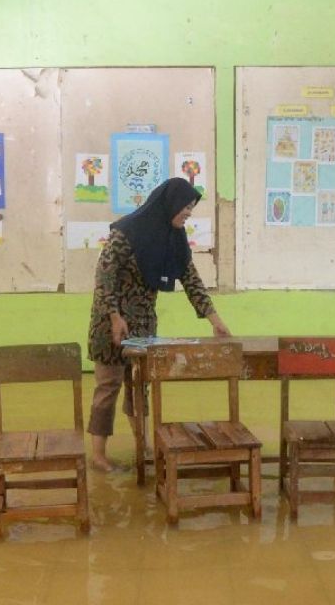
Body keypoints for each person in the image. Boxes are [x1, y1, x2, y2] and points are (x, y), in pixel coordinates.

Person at [86, 177, 231, 472]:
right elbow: (104, 278)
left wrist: (215, 320)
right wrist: (114, 316)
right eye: (185, 208)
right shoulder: (126, 233)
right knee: (108, 386)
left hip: (143, 326)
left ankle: (143, 445)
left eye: (191, 208)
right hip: (109, 323)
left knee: (140, 388)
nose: (188, 213)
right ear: (170, 204)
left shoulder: (174, 239)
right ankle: (99, 455)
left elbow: (191, 281)